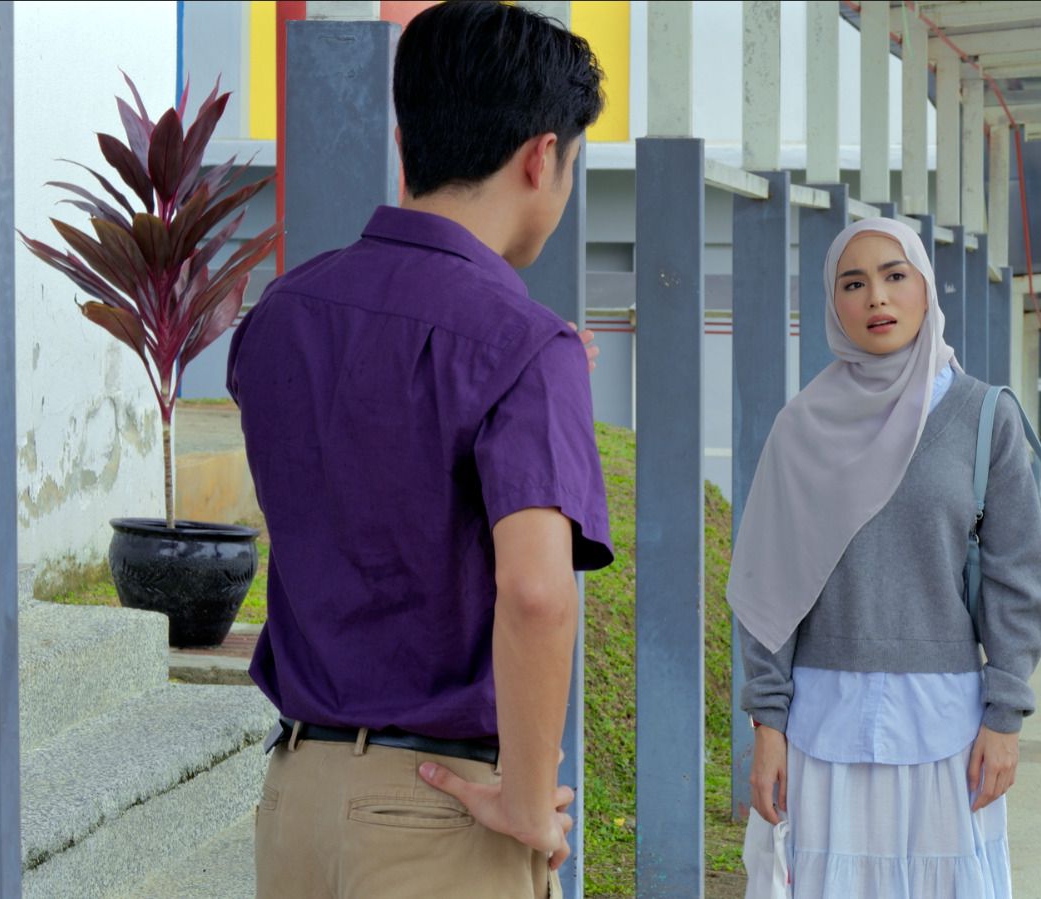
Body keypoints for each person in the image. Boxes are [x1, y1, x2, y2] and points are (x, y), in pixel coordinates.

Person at [227, 3, 612, 896]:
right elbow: (536, 590)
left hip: (295, 800)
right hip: (443, 811)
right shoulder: (527, 345)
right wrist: (528, 801)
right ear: (542, 157)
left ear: (407, 142)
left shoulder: (281, 315)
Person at [730, 217, 1041, 898]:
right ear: (834, 304)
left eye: (894, 275)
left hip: (947, 733)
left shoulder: (983, 417)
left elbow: (1018, 579)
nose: (876, 296)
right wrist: (767, 724)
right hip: (821, 731)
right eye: (853, 283)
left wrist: (1006, 716)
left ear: (925, 288)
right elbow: (768, 591)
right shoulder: (800, 428)